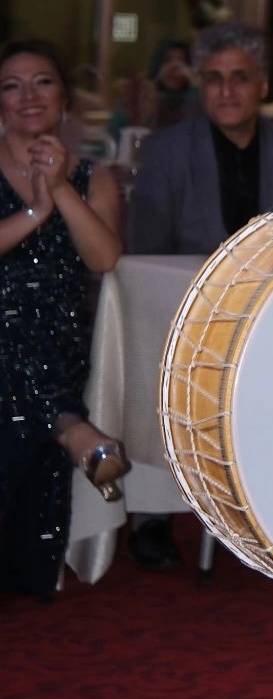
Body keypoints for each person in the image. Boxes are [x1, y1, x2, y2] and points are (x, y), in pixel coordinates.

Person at [126, 21, 273, 566]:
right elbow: (146, 253)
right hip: (181, 311)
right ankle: (152, 516)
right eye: (213, 78)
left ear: (263, 85)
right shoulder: (166, 151)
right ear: (200, 86)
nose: (226, 90)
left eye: (239, 77)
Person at [0, 39, 127, 598]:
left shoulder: (93, 175)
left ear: (64, 99)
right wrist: (35, 211)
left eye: (43, 82)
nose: (29, 95)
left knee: (28, 350)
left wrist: (57, 188)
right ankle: (72, 430)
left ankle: (68, 427)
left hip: (58, 341)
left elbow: (104, 258)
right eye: (12, 86)